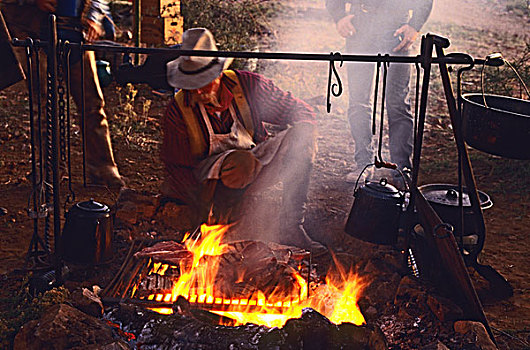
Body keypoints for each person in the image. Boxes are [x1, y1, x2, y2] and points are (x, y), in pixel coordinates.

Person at [161, 28, 326, 254]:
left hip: (254, 168)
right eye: (191, 83)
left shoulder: (248, 86)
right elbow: (177, 168)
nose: (198, 90)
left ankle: (291, 225)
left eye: (203, 81)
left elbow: (298, 109)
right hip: (209, 185)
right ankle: (227, 220)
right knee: (240, 162)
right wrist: (199, 213)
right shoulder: (178, 110)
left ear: (218, 74)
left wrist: (305, 130)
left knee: (303, 135)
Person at [0, 0, 124, 187]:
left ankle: (103, 169)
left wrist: (93, 17)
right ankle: (48, 172)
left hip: (75, 29)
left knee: (92, 102)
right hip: (29, 28)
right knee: (43, 105)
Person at [326, 0, 433, 182]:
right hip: (359, 27)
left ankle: (402, 169)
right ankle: (363, 164)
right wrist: (339, 16)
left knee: (397, 103)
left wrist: (414, 25)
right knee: (358, 101)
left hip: (396, 28)